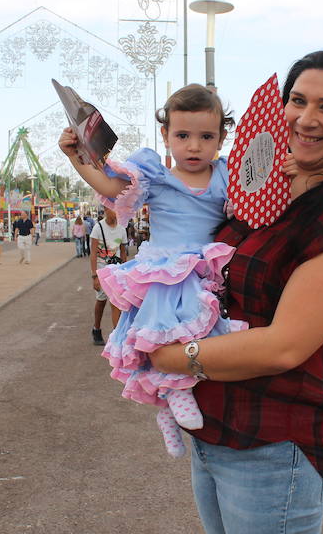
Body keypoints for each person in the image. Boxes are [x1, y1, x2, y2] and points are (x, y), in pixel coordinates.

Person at [146, 49, 323, 532]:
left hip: (270, 446)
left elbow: (284, 346)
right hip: (215, 433)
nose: (306, 119)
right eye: (297, 100)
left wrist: (167, 357)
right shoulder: (267, 194)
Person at [60, 83, 245, 458]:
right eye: (183, 135)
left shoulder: (227, 175)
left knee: (203, 337)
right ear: (166, 135)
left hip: (206, 266)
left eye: (206, 136)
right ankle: (172, 398)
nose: (194, 146)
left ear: (222, 138)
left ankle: (170, 407)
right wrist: (75, 158)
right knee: (165, 338)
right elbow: (109, 184)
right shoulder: (154, 176)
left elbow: (258, 198)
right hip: (165, 268)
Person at [87, 208, 128, 345]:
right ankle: (96, 328)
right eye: (113, 209)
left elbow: (123, 252)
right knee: (101, 301)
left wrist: (125, 272)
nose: (116, 212)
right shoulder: (97, 228)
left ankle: (117, 337)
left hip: (116, 270)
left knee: (116, 302)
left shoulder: (122, 229)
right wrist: (94, 276)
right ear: (105, 209)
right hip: (101, 269)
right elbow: (93, 254)